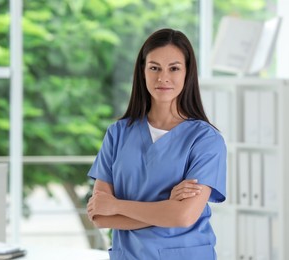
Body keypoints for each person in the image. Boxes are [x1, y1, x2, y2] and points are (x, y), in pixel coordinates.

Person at [86, 28, 226, 260]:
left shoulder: (206, 140)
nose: (163, 77)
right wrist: (166, 208)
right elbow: (100, 216)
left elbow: (183, 217)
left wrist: (117, 205)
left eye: (174, 68)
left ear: (187, 73)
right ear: (142, 72)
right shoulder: (118, 134)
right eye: (154, 68)